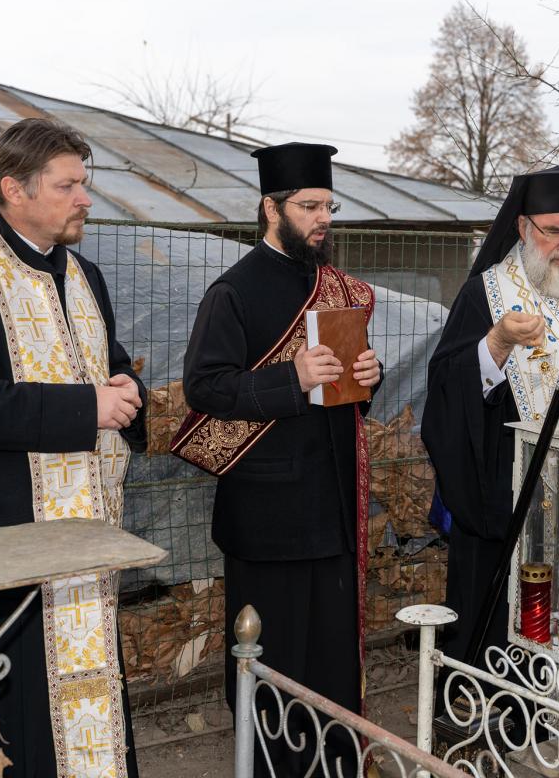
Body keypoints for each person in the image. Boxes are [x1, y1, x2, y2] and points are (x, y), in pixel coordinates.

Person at [0, 118, 147, 776]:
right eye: (69, 184)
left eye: (85, 183)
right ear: (14, 189)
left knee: (97, 700)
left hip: (91, 535)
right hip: (12, 545)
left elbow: (113, 366)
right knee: (26, 726)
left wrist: (126, 389)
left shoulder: (85, 274)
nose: (85, 198)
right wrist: (88, 407)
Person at [180, 142, 380, 776]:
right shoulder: (232, 291)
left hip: (335, 507)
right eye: (308, 205)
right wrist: (288, 380)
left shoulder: (339, 287)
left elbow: (344, 395)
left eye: (328, 205)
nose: (323, 217)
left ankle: (339, 764)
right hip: (266, 518)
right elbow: (205, 388)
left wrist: (364, 380)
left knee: (332, 660)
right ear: (271, 207)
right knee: (273, 664)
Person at [421, 167, 559, 665]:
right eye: (553, 231)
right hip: (509, 494)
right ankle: (503, 704)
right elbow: (447, 389)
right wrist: (495, 343)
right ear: (522, 228)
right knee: (507, 628)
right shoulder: (487, 294)